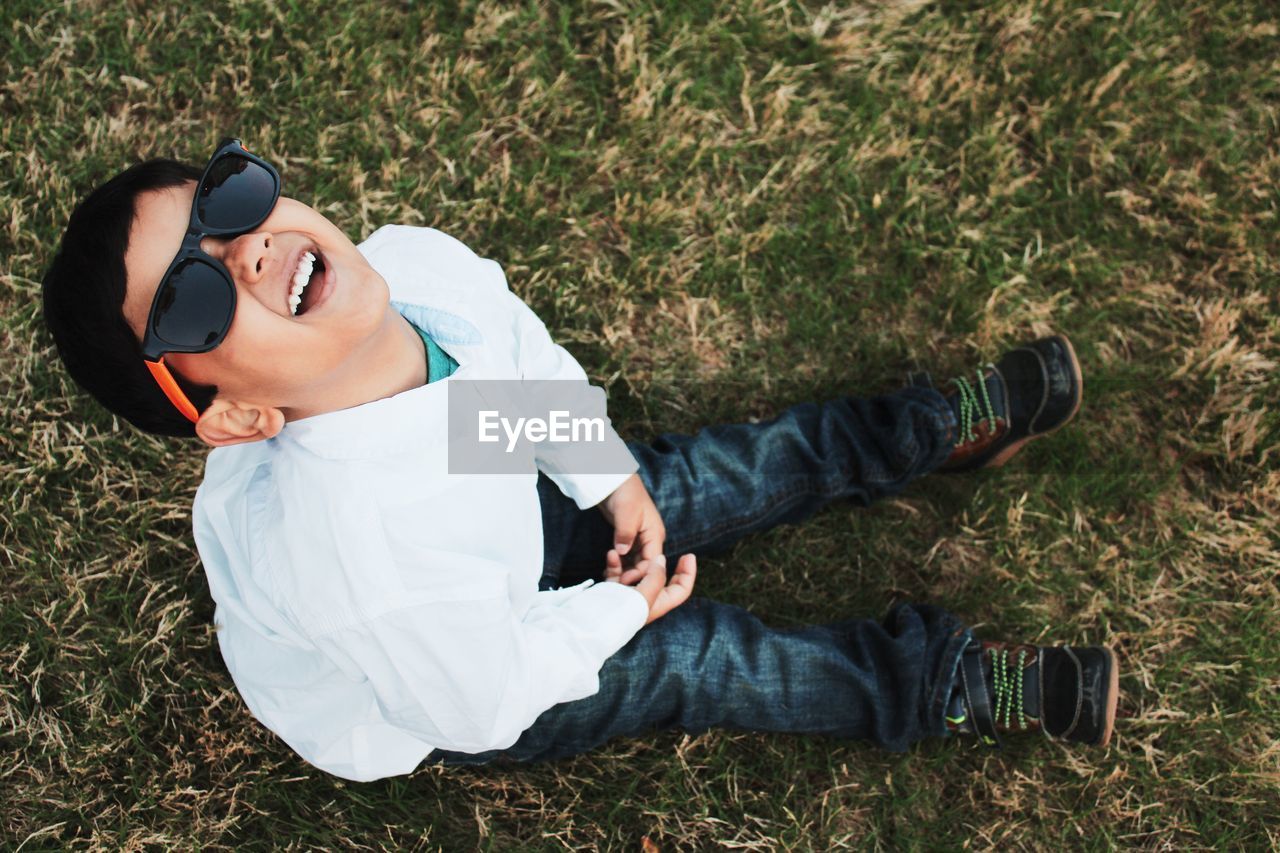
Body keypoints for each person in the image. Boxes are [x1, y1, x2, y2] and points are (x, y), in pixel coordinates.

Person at [40, 139, 1118, 782]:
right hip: (461, 665)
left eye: (227, 203)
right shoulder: (364, 562)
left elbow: (516, 375)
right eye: (194, 294)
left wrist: (609, 480)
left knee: (705, 473)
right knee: (702, 662)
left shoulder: (414, 268)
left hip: (482, 492)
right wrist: (615, 616)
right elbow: (479, 698)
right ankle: (943, 689)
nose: (252, 250)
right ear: (231, 415)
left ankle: (921, 430)